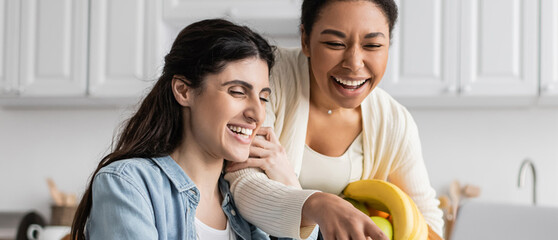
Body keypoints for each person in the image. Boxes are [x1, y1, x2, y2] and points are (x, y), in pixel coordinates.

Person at [69, 19, 313, 240]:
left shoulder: (246, 203)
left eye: (263, 97)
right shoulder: (129, 184)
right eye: (237, 92)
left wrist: (288, 179)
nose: (257, 114)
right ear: (184, 91)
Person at [224, 0, 444, 239]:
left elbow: (427, 220)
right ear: (305, 40)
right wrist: (318, 205)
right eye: (335, 43)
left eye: (372, 45)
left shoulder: (393, 121)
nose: (354, 63)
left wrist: (286, 178)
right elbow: (242, 182)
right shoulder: (267, 77)